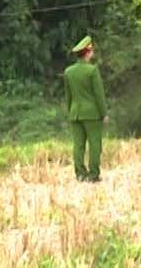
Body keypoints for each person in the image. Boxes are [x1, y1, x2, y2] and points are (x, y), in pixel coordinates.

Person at [62, 35, 108, 183]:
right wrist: (104, 113)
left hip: (75, 113)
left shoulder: (68, 72)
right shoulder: (92, 70)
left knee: (78, 145)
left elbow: (68, 96)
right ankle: (94, 174)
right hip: (92, 114)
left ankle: (80, 174)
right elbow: (99, 95)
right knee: (95, 144)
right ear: (88, 52)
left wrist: (70, 113)